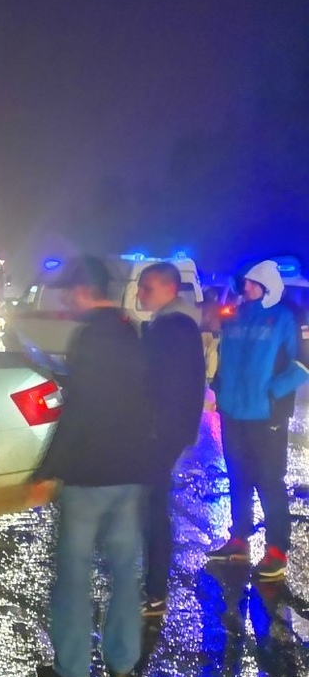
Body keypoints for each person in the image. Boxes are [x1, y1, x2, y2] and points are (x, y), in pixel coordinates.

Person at [32, 256, 153, 677]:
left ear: (84, 290)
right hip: (130, 474)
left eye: (71, 292)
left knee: (75, 573)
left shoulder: (88, 338)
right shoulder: (131, 334)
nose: (68, 300)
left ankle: (73, 673)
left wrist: (48, 470)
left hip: (89, 476)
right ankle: (123, 665)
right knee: (124, 572)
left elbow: (79, 410)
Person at [207, 259, 309, 580]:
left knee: (269, 480)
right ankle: (238, 539)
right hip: (233, 412)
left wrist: (272, 393)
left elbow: (302, 363)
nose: (245, 288)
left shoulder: (285, 317)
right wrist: (218, 389)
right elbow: (221, 357)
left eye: (252, 283)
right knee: (237, 476)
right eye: (244, 283)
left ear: (267, 285)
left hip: (266, 415)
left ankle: (276, 550)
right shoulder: (236, 316)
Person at [136, 262, 206, 616]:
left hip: (160, 431)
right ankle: (153, 588)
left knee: (153, 508)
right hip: (164, 430)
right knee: (151, 505)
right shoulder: (172, 323)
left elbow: (170, 386)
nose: (138, 294)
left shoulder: (174, 327)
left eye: (145, 288)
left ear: (168, 288)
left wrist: (154, 428)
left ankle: (155, 591)